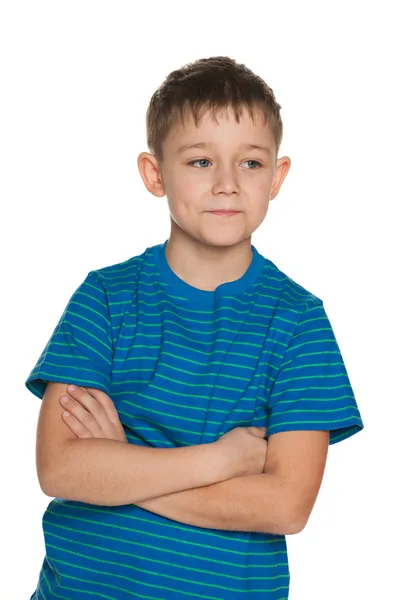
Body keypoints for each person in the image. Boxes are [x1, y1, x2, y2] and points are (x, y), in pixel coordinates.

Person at [25, 55, 364, 600]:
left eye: (250, 164)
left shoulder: (300, 323)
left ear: (277, 177)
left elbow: (285, 506)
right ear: (154, 174)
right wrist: (221, 459)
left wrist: (124, 469)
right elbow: (61, 468)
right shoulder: (106, 298)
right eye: (201, 161)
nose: (227, 184)